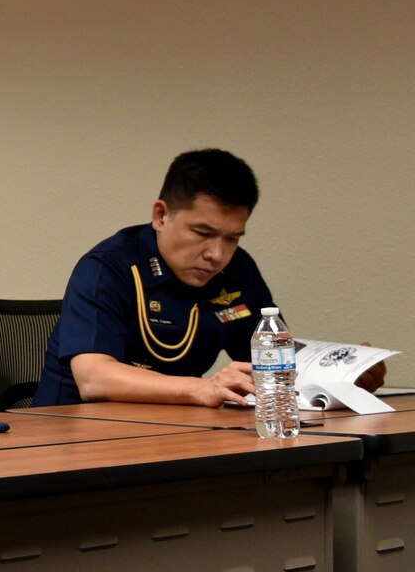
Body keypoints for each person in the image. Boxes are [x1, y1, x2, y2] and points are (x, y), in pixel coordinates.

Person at [35, 148, 384, 406]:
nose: (217, 254)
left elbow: (273, 357)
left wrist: (341, 374)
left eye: (232, 237)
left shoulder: (237, 269)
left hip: (172, 431)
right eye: (203, 232)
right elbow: (94, 378)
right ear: (161, 215)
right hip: (72, 435)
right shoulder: (108, 267)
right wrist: (201, 388)